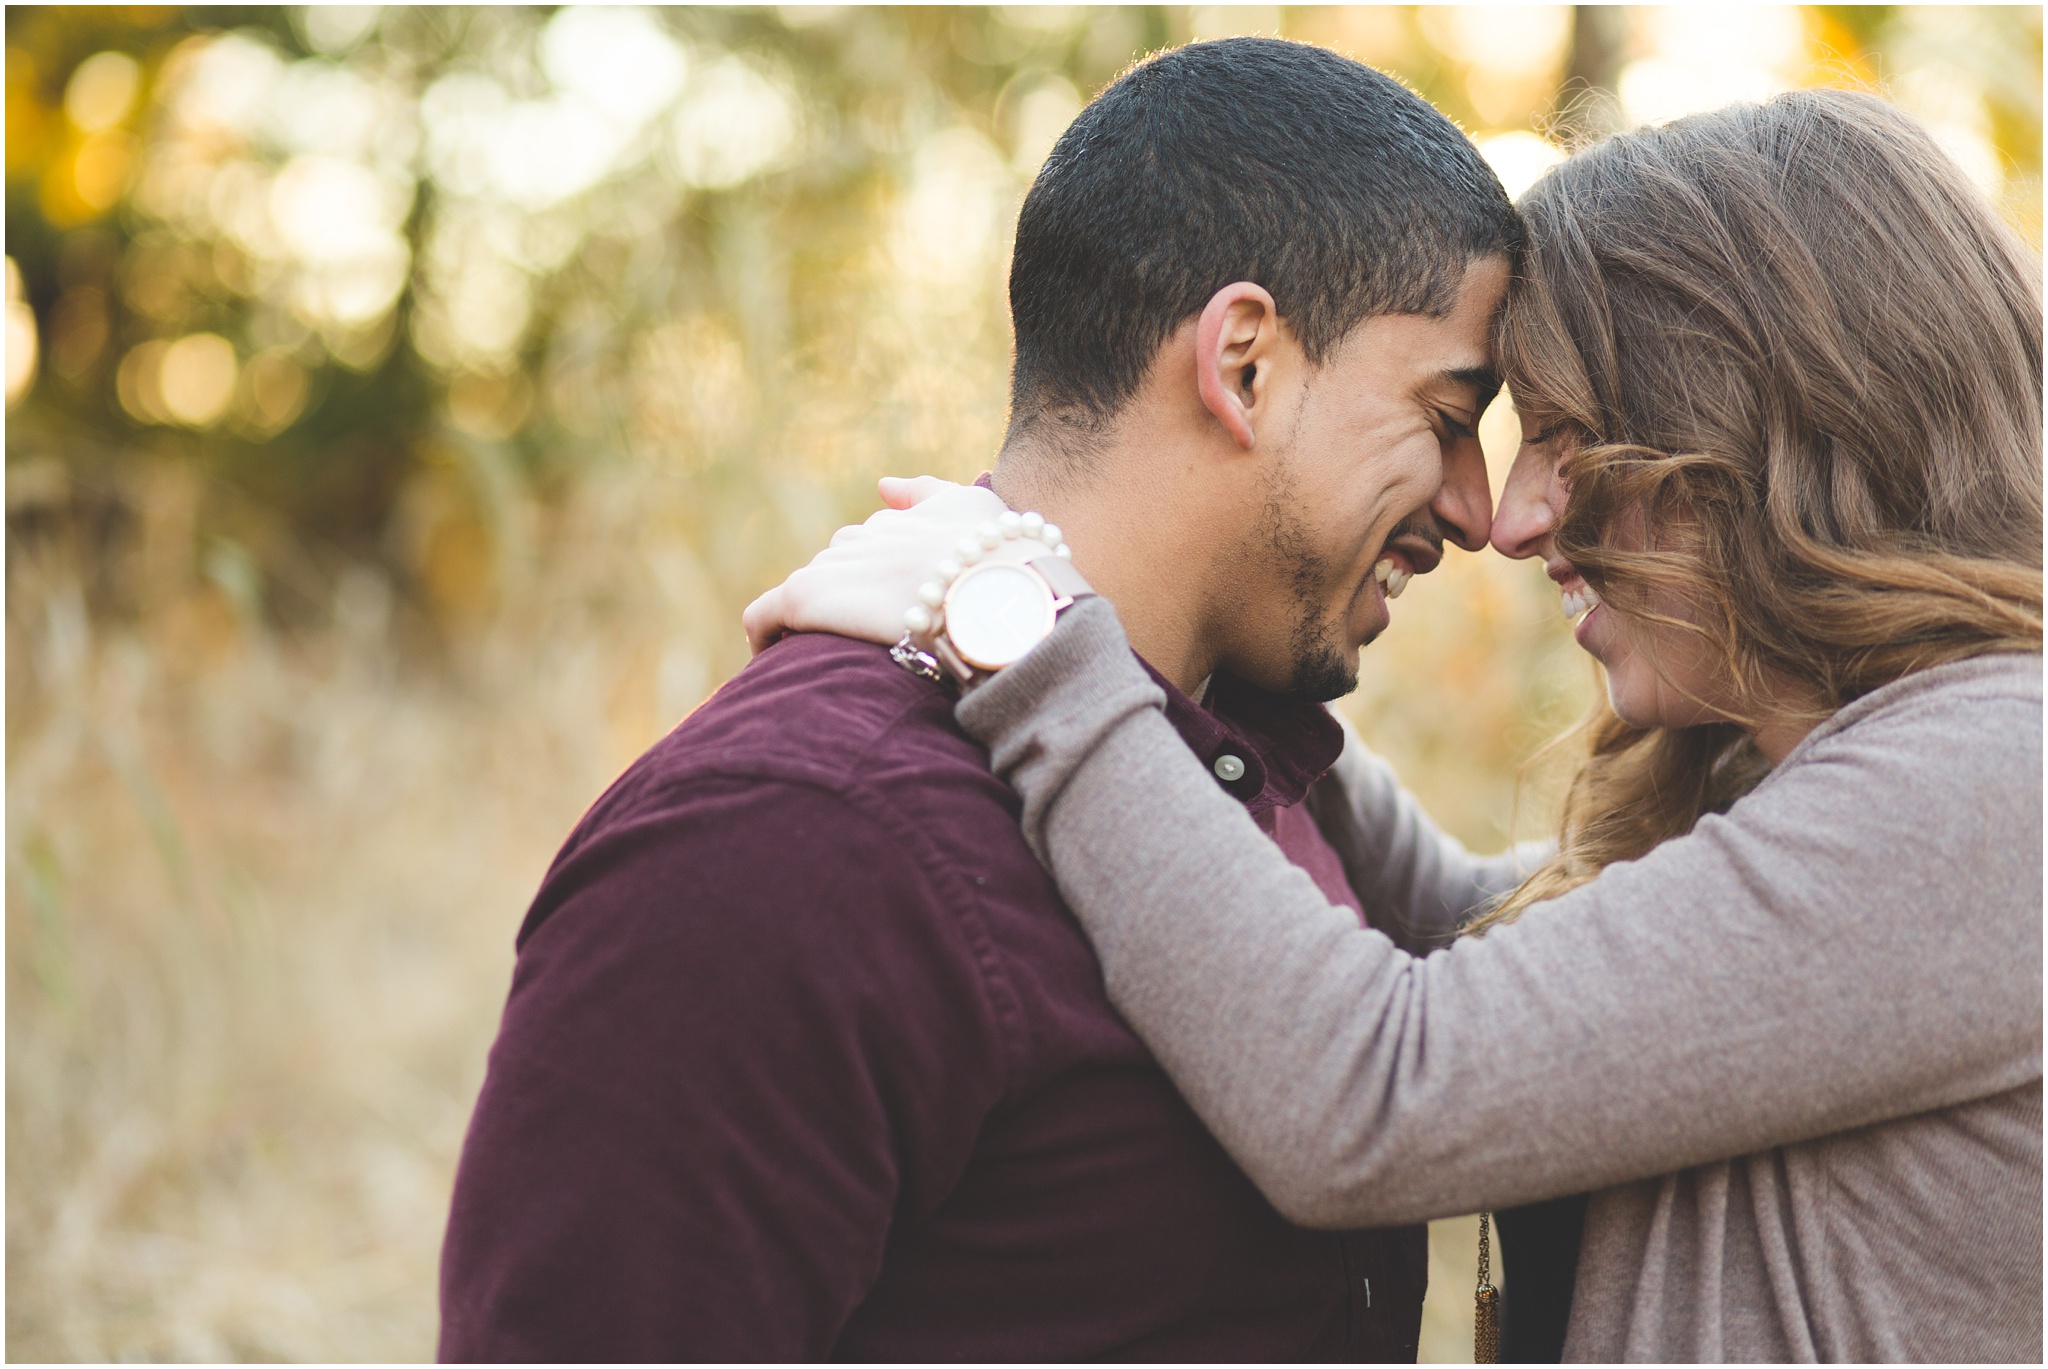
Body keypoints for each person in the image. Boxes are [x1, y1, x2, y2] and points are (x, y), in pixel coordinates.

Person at [751, 88, 2043, 1361]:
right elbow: (1475, 925)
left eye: (1578, 442)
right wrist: (1194, 646)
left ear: (1774, 435)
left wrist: (1028, 639)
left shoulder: (1994, 789)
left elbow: (1377, 1087)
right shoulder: (1892, 779)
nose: (1520, 518)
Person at [439, 38, 1529, 1360]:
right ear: (1244, 363)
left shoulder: (1251, 775)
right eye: (1447, 413)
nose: (1479, 511)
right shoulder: (788, 842)